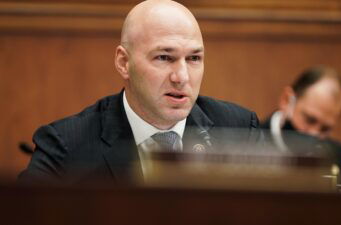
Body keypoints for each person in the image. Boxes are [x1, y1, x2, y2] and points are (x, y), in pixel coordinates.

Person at [19, 0, 261, 186]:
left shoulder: (239, 130)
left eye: (194, 58)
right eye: (164, 57)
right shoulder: (67, 146)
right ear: (124, 62)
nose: (182, 77)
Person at [261, 66, 341, 185]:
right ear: (287, 100)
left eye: (325, 129)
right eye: (309, 120)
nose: (314, 133)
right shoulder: (249, 139)